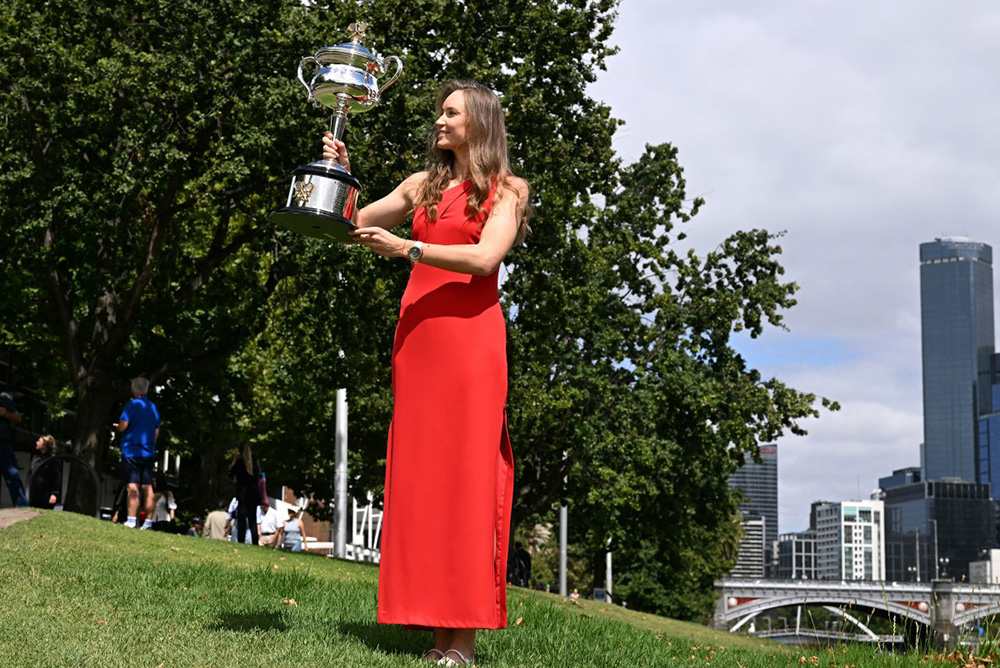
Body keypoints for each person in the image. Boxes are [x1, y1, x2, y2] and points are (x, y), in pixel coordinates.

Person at [322, 79, 530, 666]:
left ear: (479, 123)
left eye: (450, 113)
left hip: (470, 350)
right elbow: (354, 219)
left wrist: (406, 250)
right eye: (440, 112)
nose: (439, 121)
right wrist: (340, 170)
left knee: (466, 482)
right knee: (424, 482)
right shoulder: (423, 186)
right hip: (418, 347)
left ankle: (459, 642)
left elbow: (486, 258)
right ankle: (435, 627)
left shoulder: (508, 191)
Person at [114, 377, 160, 529]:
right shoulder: (153, 407)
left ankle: (132, 520)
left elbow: (123, 426)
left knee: (132, 486)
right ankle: (148, 522)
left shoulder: (132, 405)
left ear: (133, 389)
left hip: (132, 450)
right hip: (148, 452)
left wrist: (118, 427)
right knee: (147, 487)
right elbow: (156, 433)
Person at [227, 444, 260, 547]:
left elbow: (230, 474)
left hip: (243, 495)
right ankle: (255, 542)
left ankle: (241, 541)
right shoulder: (255, 463)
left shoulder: (240, 463)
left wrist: (234, 460)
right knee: (252, 520)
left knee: (242, 520)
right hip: (253, 495)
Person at [0, 390, 28, 508]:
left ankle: (22, 507)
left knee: (12, 474)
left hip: (2, 442)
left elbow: (17, 418)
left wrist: (5, 414)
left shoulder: (3, 398)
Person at [28, 435, 62, 509]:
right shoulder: (35, 457)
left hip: (46, 495)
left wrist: (54, 493)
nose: (36, 443)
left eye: (39, 441)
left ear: (45, 445)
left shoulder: (52, 459)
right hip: (34, 494)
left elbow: (56, 477)